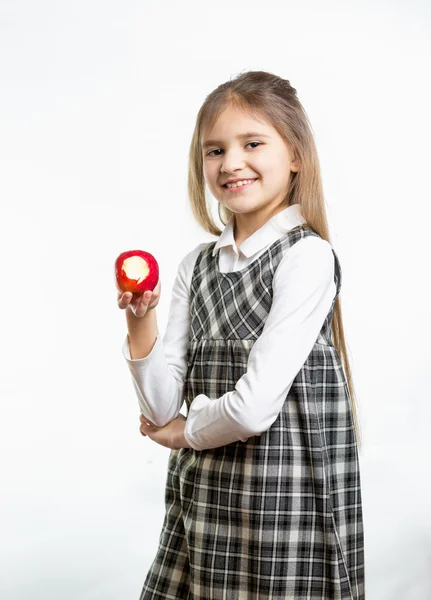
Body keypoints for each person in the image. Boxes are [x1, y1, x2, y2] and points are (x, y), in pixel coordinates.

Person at [117, 70, 365, 600]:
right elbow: (161, 408)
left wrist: (184, 433)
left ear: (295, 154)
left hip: (280, 503)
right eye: (214, 150)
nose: (231, 163)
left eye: (252, 143)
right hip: (205, 495)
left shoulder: (306, 257)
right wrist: (141, 320)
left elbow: (252, 410)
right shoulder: (196, 266)